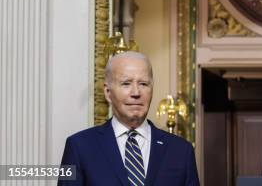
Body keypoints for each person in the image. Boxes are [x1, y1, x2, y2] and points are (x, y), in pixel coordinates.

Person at [59, 51, 199, 185]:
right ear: (108, 92)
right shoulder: (79, 147)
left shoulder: (181, 151)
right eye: (126, 83)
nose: (136, 93)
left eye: (143, 84)